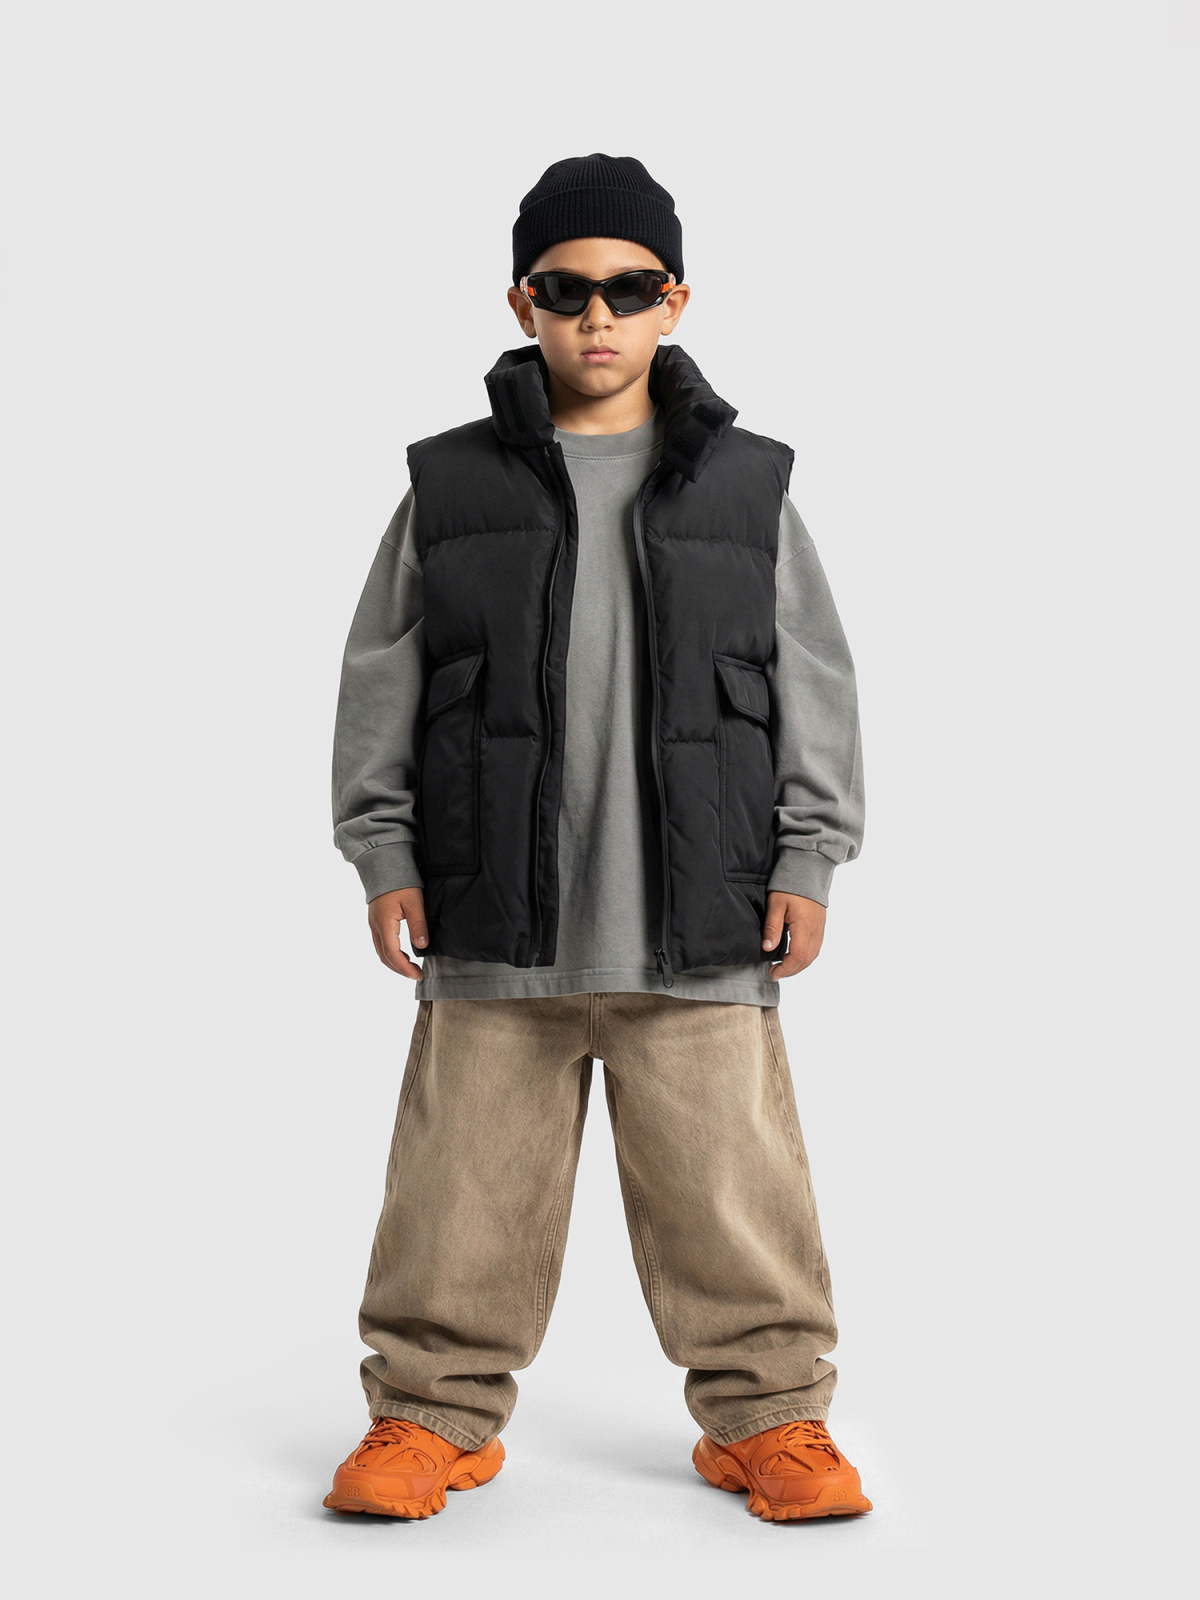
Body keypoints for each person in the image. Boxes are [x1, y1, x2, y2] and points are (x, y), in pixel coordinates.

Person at [325, 153, 870, 1524]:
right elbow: (383, 675)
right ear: (523, 303)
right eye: (565, 290)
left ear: (676, 300)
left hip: (701, 914)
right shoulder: (451, 486)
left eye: (630, 288)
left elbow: (814, 682)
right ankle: (430, 1412)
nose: (598, 316)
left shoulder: (747, 487)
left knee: (734, 1191)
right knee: (458, 1191)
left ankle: (769, 1418)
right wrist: (384, 850)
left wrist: (809, 856)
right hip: (493, 914)